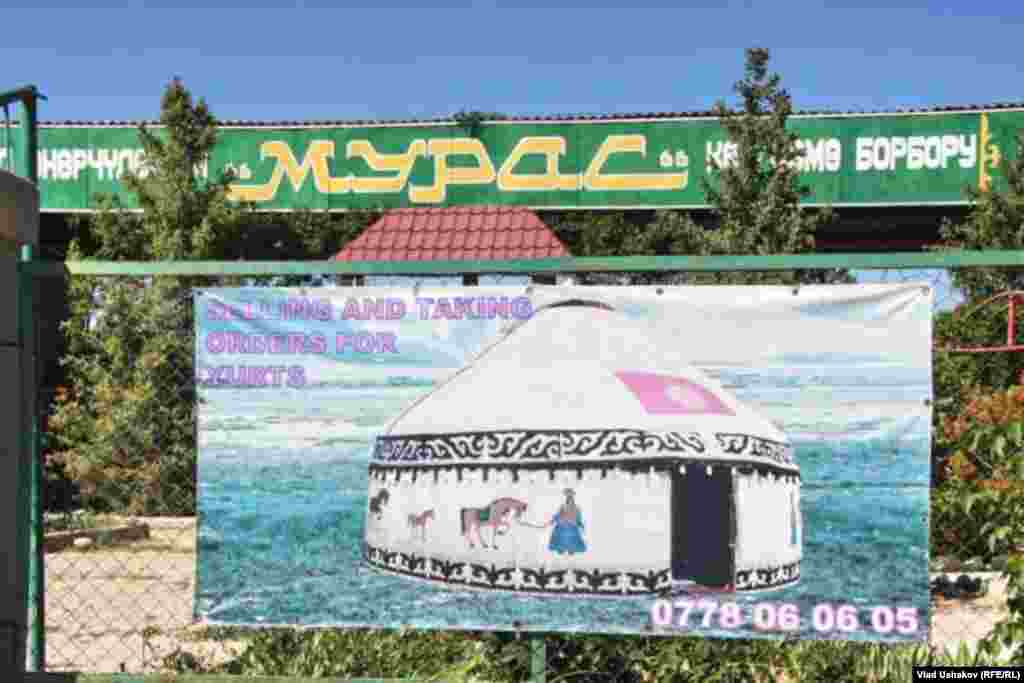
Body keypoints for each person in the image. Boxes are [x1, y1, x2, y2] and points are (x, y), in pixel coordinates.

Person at [548, 488, 586, 555]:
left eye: (570, 498)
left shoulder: (576, 508)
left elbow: (578, 516)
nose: (569, 500)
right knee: (560, 535)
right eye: (568, 498)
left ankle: (571, 549)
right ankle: (560, 548)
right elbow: (558, 514)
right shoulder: (563, 506)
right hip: (562, 524)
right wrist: (553, 520)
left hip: (572, 525)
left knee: (572, 536)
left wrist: (580, 523)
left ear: (573, 499)